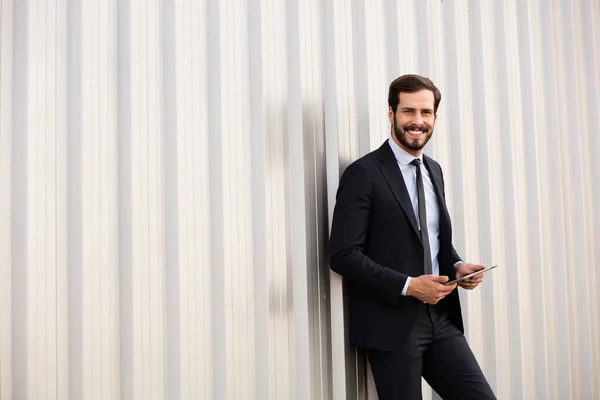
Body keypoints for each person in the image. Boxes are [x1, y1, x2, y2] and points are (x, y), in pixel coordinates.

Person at [329, 74, 496, 399]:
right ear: (392, 113)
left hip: (442, 318)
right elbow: (343, 254)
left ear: (435, 116)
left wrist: (457, 264)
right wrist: (409, 285)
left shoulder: (433, 169)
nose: (417, 121)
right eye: (408, 112)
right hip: (392, 326)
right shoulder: (363, 173)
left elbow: (429, 237)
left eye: (426, 112)